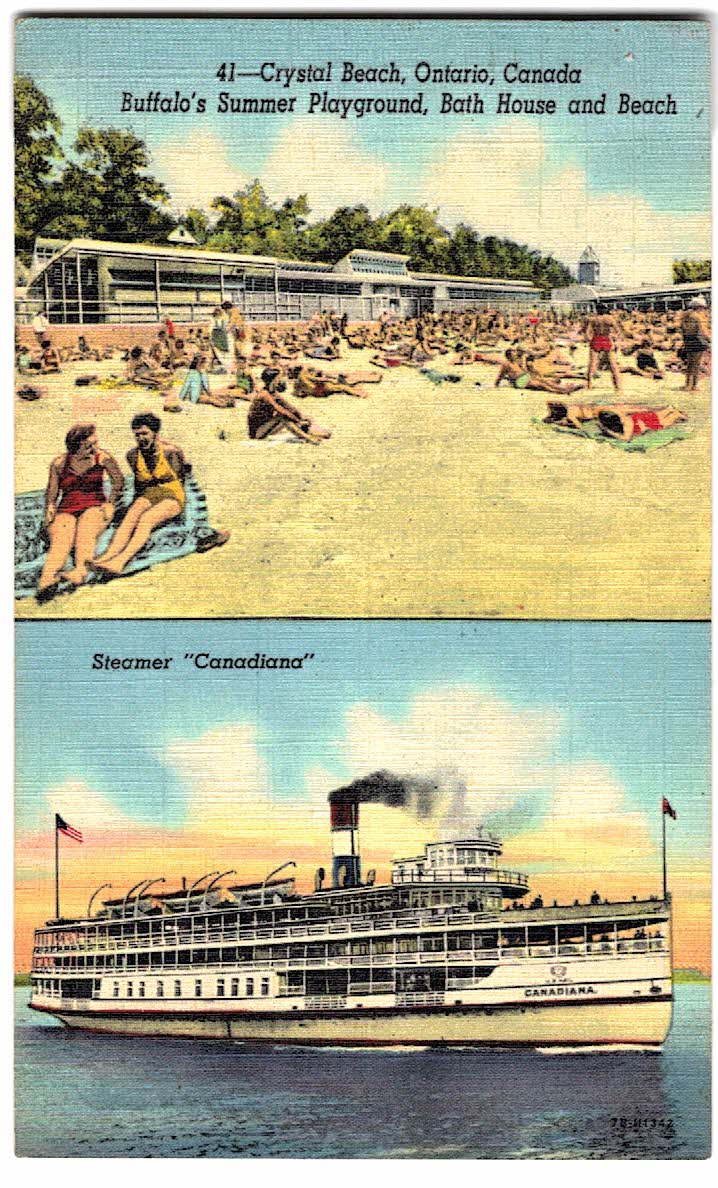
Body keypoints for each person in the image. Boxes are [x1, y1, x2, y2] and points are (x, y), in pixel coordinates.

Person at [90, 412, 189, 577]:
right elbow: (139, 482)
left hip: (172, 493)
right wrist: (135, 503)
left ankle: (120, 562)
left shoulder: (171, 452)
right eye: (137, 435)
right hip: (149, 493)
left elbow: (181, 479)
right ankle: (106, 557)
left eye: (145, 433)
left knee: (147, 519)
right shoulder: (133, 455)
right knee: (131, 516)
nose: (141, 438)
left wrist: (176, 504)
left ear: (155, 434)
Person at [37, 423, 123, 599]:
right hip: (67, 508)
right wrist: (50, 509)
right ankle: (47, 579)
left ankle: (80, 571)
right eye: (89, 446)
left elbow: (119, 481)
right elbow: (52, 493)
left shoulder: (102, 457)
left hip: (95, 505)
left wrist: (110, 503)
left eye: (95, 443)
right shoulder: (59, 463)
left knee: (85, 530)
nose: (94, 449)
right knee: (62, 539)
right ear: (76, 446)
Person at [248, 368, 331, 443]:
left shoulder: (273, 393)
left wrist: (302, 417)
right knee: (284, 417)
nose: (280, 380)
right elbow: (282, 411)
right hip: (257, 432)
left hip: (267, 426)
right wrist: (298, 421)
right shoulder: (264, 394)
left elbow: (289, 407)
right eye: (278, 378)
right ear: (273, 380)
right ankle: (308, 438)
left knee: (290, 416)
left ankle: (313, 433)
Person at [585, 305, 623, 392]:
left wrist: (590, 340)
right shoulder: (610, 319)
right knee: (613, 365)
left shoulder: (593, 319)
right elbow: (618, 331)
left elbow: (587, 333)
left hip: (596, 338)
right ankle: (618, 387)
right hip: (606, 338)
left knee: (592, 363)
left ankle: (589, 385)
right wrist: (614, 339)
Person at [679, 297, 711, 392]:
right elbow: (703, 331)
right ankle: (693, 386)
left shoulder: (685, 316)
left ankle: (687, 384)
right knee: (696, 365)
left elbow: (682, 330)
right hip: (698, 341)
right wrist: (710, 340)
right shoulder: (698, 316)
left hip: (688, 341)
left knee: (690, 364)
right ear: (699, 307)